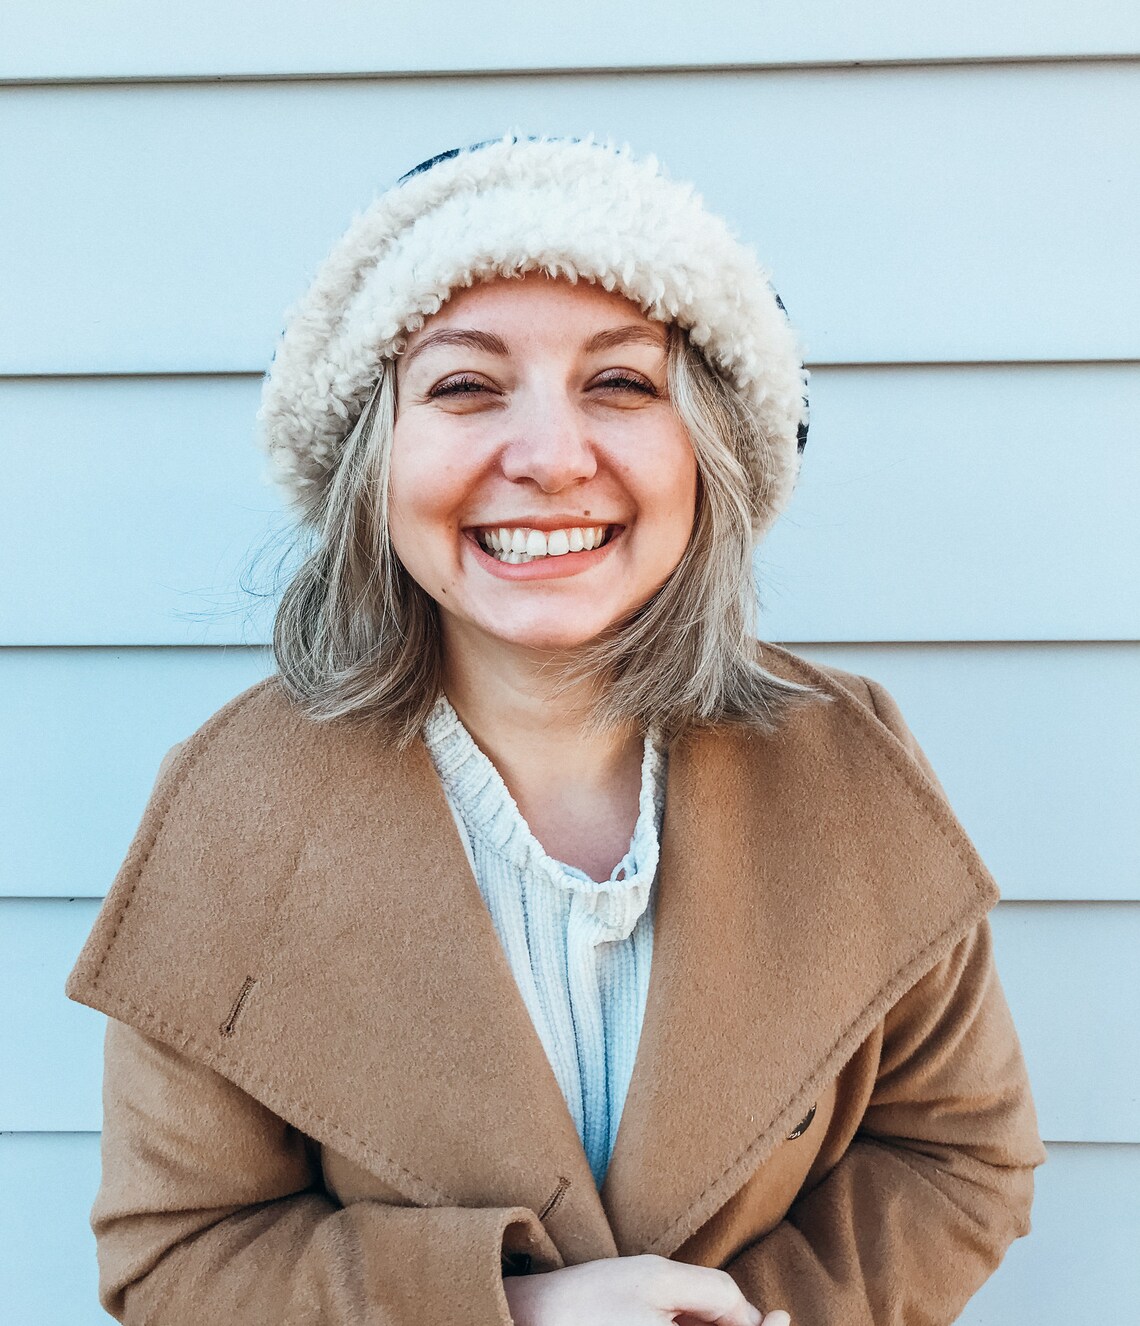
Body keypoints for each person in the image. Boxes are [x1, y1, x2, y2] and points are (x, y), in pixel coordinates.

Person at [67, 134, 1046, 1325]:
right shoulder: (232, 804)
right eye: (466, 386)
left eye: (623, 384)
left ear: (711, 451)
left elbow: (956, 1156)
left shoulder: (846, 760)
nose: (546, 458)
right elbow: (177, 1252)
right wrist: (517, 1314)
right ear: (372, 460)